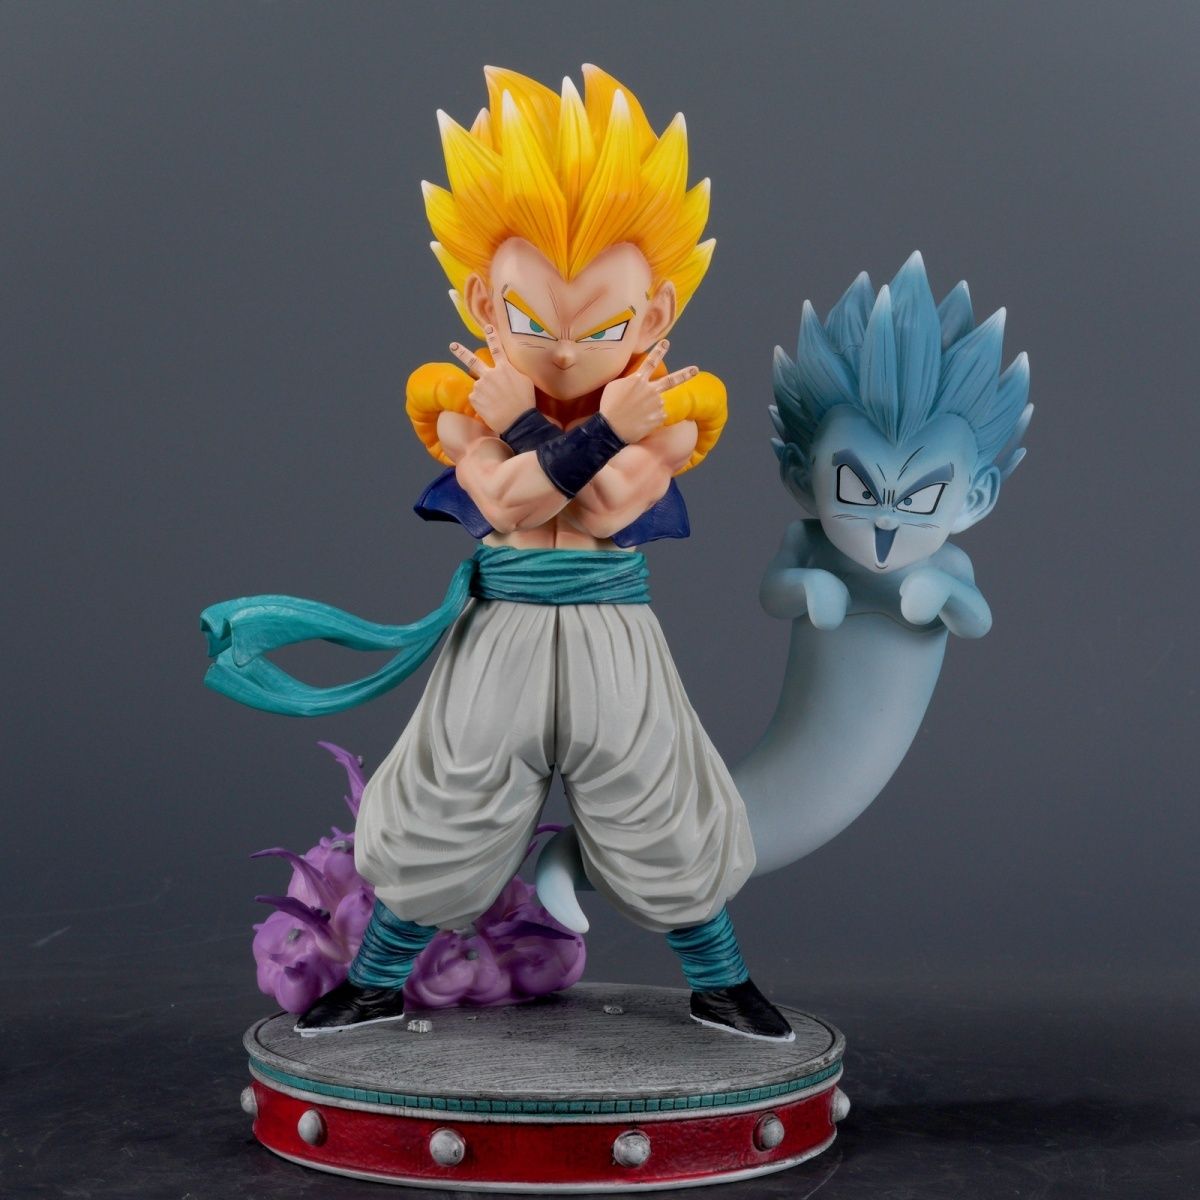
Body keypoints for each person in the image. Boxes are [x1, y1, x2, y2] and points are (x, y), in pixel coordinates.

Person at [206, 64, 792, 1042]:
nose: (563, 349)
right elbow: (507, 499)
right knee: (450, 802)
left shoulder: (673, 410)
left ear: (655, 317)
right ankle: (377, 980)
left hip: (610, 632)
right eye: (531, 320)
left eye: (602, 326)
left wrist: (549, 429)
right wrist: (556, 427)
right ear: (483, 302)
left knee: (657, 803)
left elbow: (608, 506)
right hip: (502, 630)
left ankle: (722, 981)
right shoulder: (462, 398)